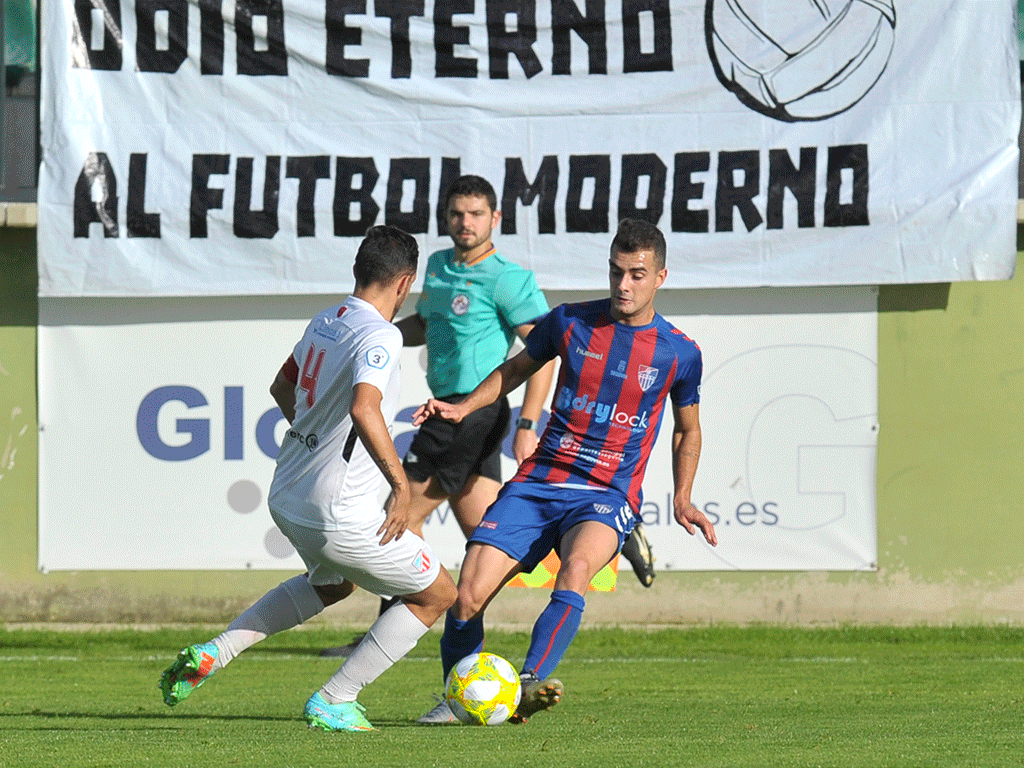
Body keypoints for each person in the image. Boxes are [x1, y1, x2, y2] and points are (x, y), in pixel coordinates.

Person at [414, 218, 718, 724]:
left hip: (606, 492)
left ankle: (529, 685)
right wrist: (463, 407)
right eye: (617, 272)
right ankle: (457, 698)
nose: (625, 285)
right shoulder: (570, 322)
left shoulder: (679, 352)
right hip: (539, 481)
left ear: (661, 276)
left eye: (638, 274)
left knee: (575, 571)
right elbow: (514, 372)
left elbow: (687, 430)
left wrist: (682, 497)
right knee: (466, 596)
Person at [158, 225, 457, 732]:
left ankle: (217, 651)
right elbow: (366, 409)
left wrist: (314, 437)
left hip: (289, 491)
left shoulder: (328, 319)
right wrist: (400, 486)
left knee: (334, 584)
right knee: (438, 595)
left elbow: (282, 386)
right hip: (335, 509)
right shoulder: (381, 333)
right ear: (404, 283)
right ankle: (336, 697)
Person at [322, 174, 559, 657]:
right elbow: (424, 324)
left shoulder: (507, 278)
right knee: (489, 540)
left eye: (476, 214)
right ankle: (573, 543)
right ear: (445, 218)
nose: (465, 222)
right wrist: (371, 326)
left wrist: (529, 424)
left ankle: (382, 636)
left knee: (399, 511)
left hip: (468, 414)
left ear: (495, 219)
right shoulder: (436, 266)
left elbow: (543, 352)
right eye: (457, 214)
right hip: (454, 413)